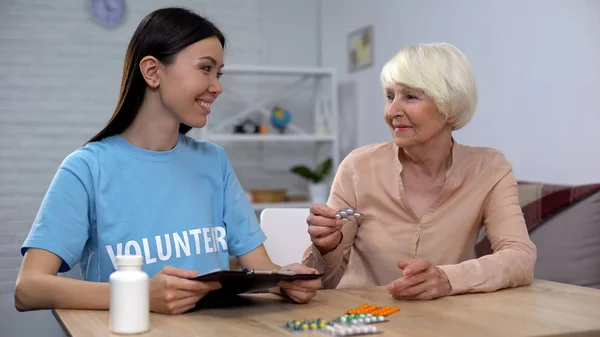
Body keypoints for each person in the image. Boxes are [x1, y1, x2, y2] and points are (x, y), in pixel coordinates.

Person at [15, 7, 321, 315]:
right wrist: (137, 295)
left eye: (219, 73)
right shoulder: (86, 168)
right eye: (205, 68)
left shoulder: (214, 162)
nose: (217, 86)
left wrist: (286, 281)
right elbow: (29, 289)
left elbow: (261, 271)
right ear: (152, 72)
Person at [303, 42, 537, 300]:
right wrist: (327, 248)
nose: (392, 111)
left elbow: (519, 257)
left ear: (451, 106)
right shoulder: (358, 167)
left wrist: (449, 279)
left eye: (411, 97)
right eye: (390, 96)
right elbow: (323, 281)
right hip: (361, 319)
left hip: (441, 321)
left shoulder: (490, 169)